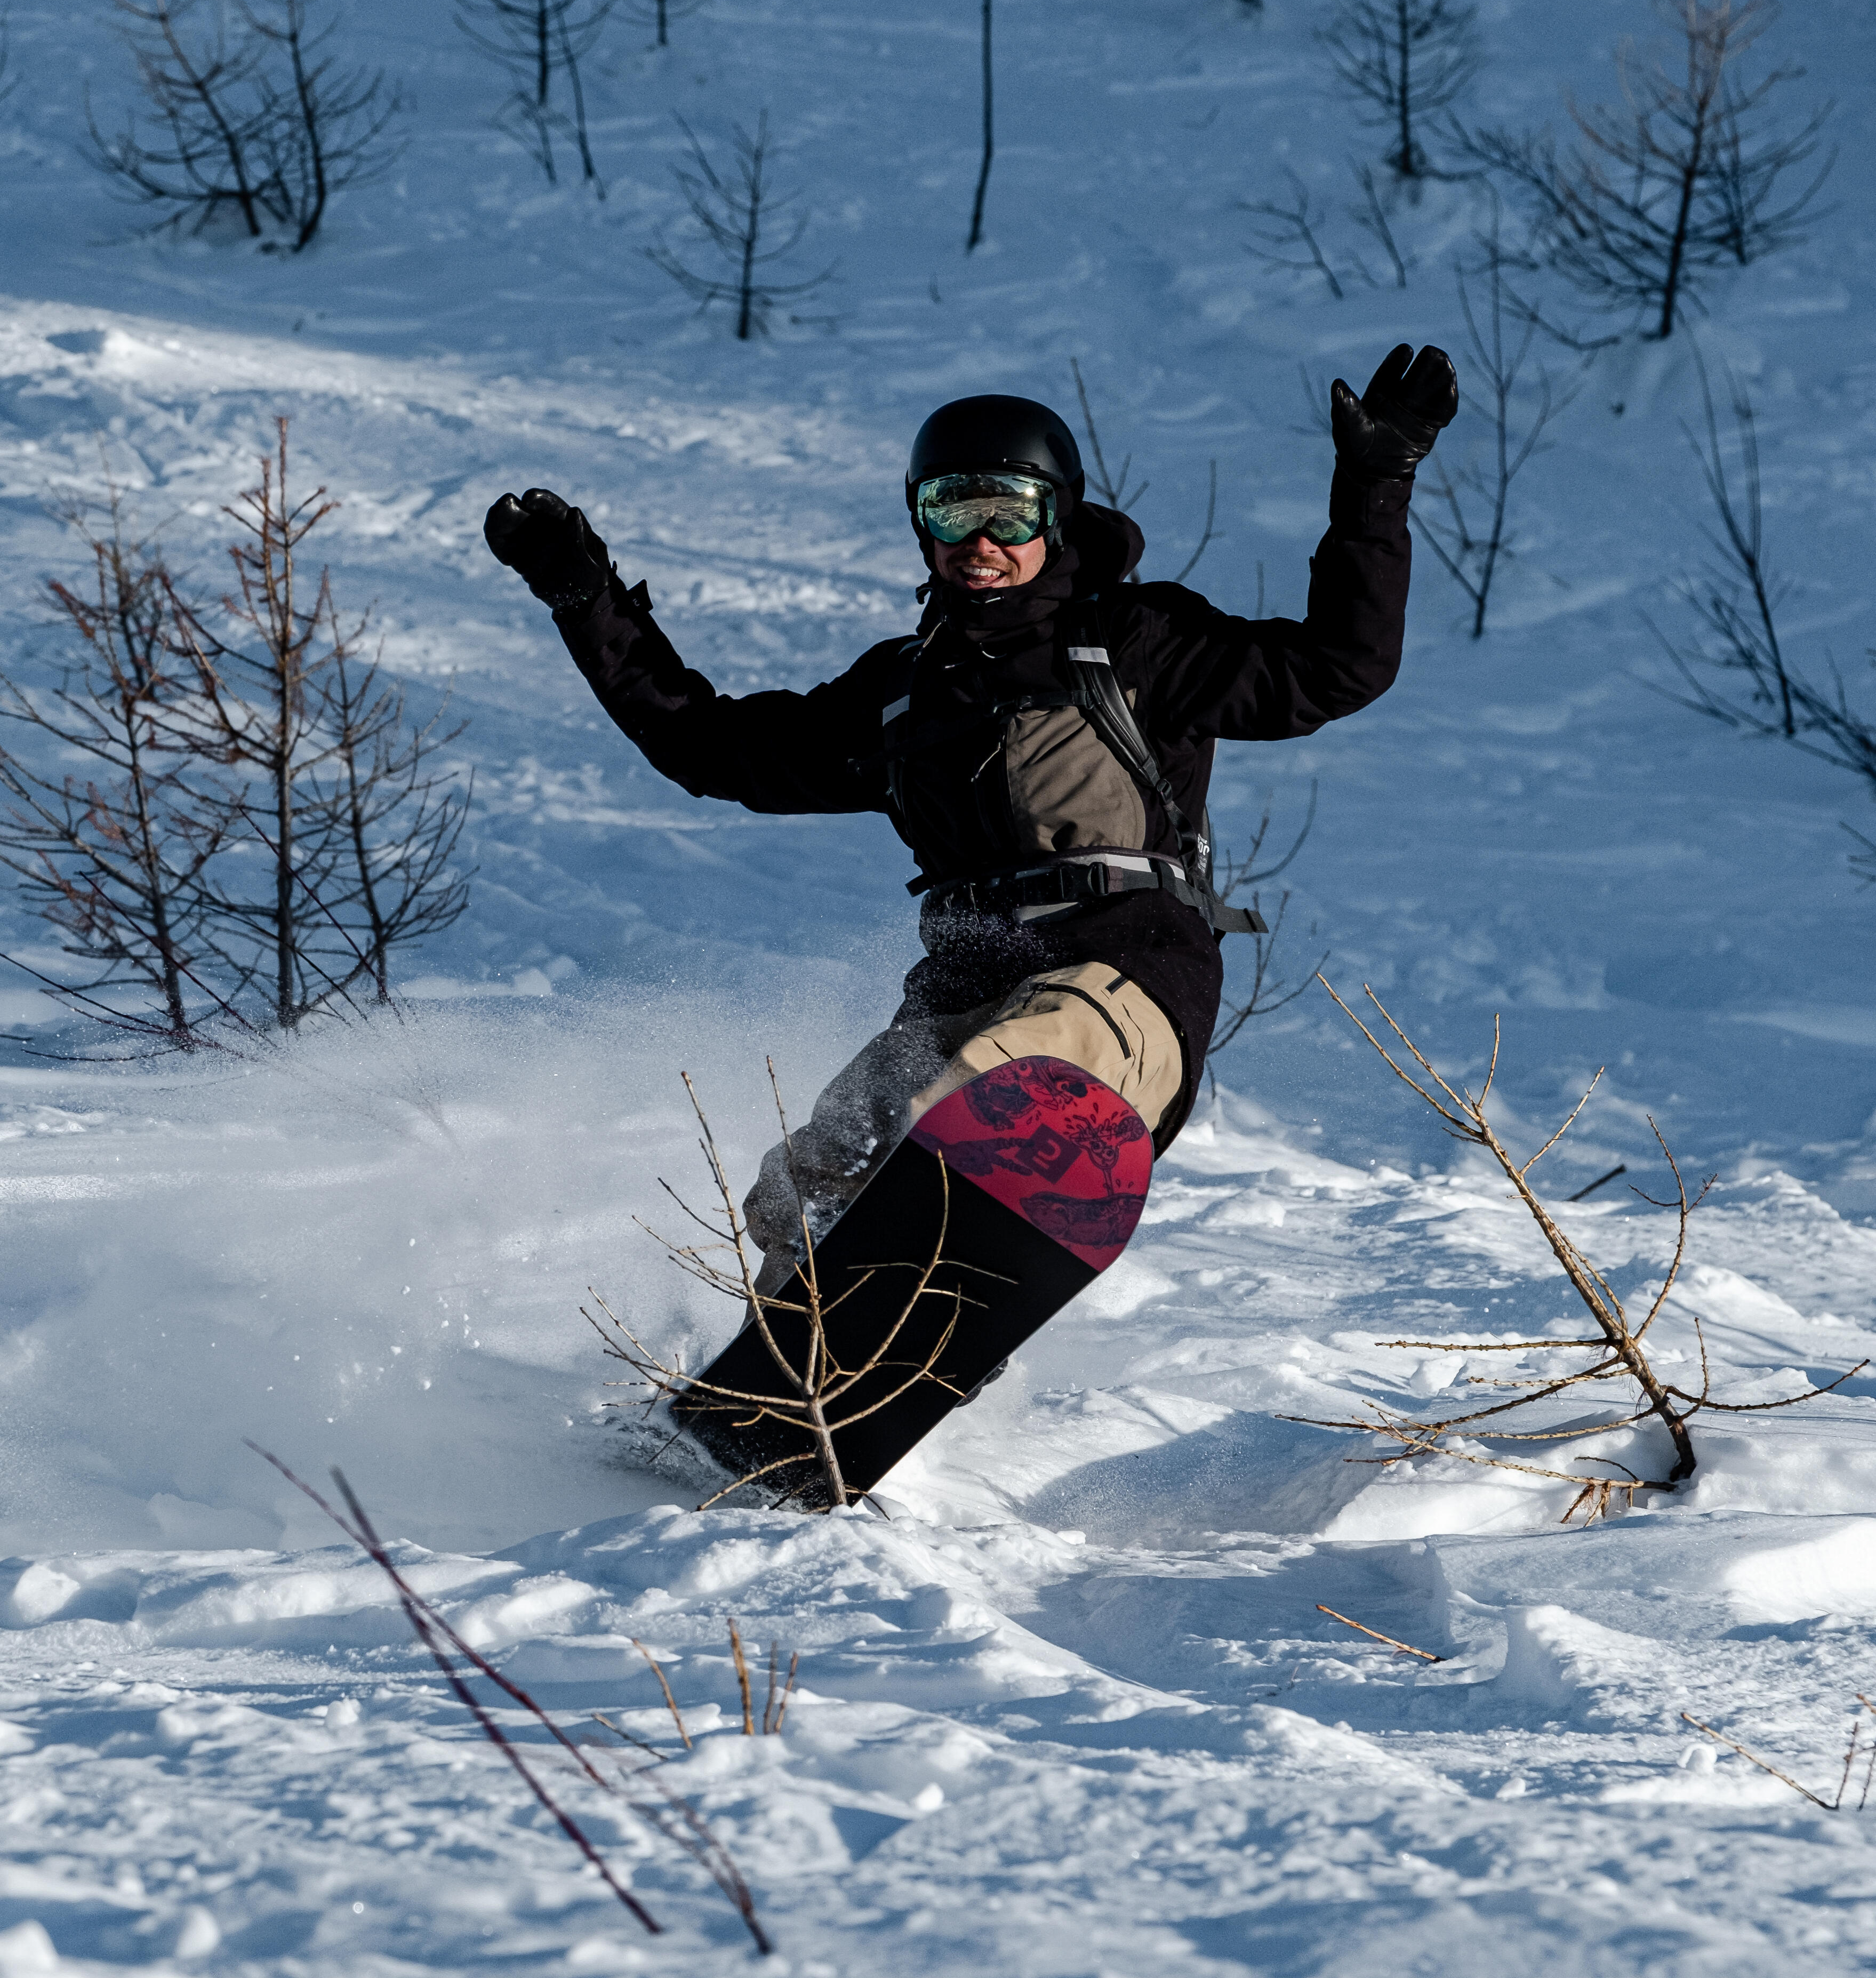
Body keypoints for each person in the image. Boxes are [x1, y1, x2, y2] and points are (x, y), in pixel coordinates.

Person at [484, 345, 1454, 1421]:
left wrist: (1378, 482)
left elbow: (1338, 666)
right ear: (919, 521)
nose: (981, 544)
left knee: (1007, 1073)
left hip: (1124, 972)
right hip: (967, 977)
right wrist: (583, 597)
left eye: (1008, 512)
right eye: (952, 514)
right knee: (810, 1177)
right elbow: (708, 747)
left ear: (1058, 515)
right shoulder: (904, 694)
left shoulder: (1135, 642)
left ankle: (961, 1252)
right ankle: (782, 1392)